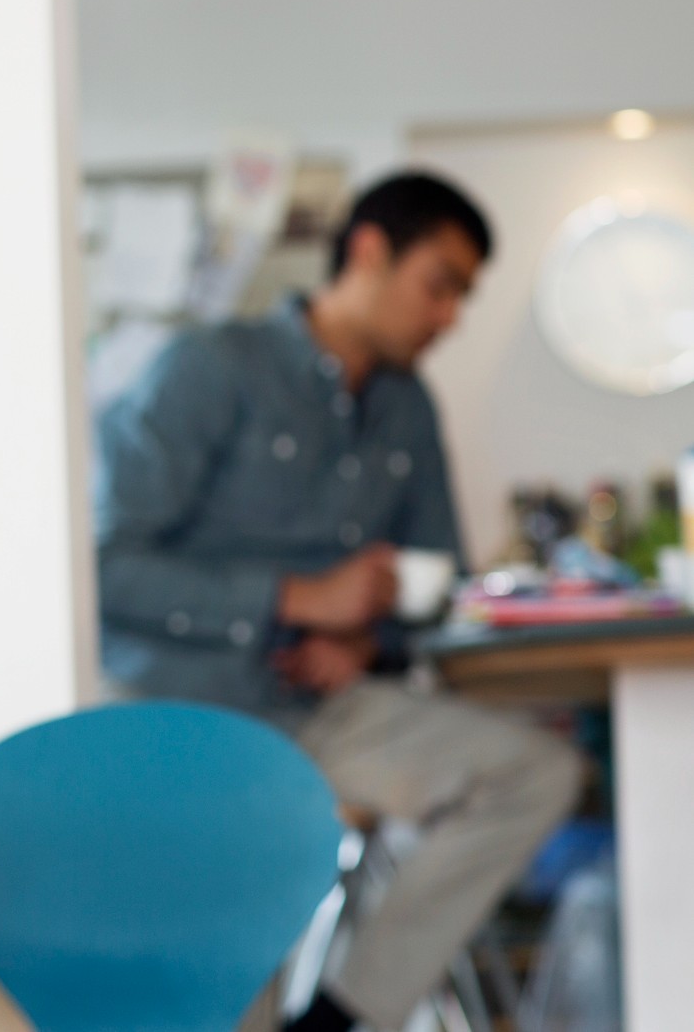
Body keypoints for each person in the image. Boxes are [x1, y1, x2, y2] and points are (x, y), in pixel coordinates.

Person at [94, 172, 583, 1032]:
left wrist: (366, 642)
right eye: (439, 286)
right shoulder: (210, 368)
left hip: (327, 707)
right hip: (194, 718)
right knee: (226, 983)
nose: (448, 318)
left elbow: (441, 583)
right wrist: (293, 597)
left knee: (533, 772)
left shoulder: (405, 408)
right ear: (366, 252)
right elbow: (106, 565)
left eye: (460, 297)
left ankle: (340, 1017)